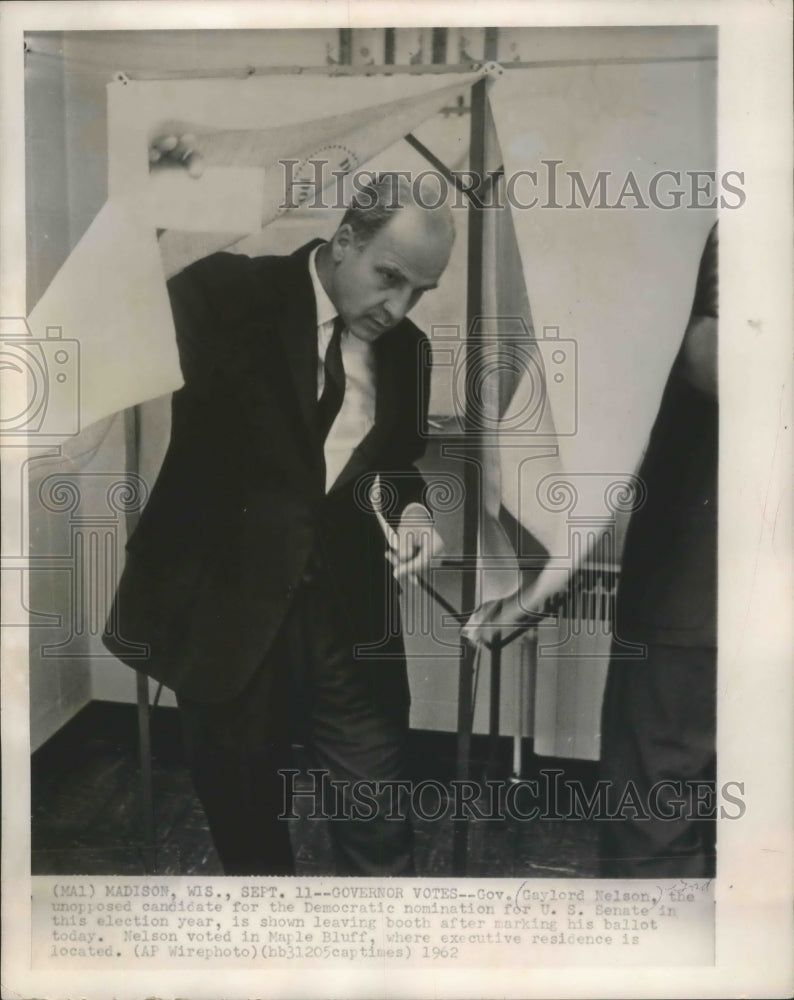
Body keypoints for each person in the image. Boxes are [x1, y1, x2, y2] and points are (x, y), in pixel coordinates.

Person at [103, 161, 454, 876]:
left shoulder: (409, 352)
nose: (400, 305)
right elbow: (118, 323)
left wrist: (414, 511)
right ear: (347, 238)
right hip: (228, 617)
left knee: (377, 813)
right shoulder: (227, 294)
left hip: (349, 619)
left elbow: (392, 466)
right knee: (246, 830)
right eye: (390, 276)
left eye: (420, 291)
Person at [599, 222, 718, 877]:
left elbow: (713, 355)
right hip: (700, 581)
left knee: (652, 813)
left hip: (697, 583)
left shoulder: (727, 215)